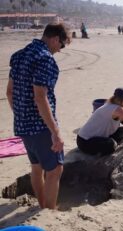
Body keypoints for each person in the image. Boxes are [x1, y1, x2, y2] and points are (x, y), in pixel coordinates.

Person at [6, 23, 70, 209]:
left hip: (22, 124)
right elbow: (40, 97)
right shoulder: (45, 58)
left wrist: (21, 114)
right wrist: (55, 131)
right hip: (40, 126)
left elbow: (10, 92)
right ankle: (49, 211)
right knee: (55, 169)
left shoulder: (18, 56)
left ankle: (43, 206)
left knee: (36, 166)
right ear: (55, 39)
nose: (60, 49)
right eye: (62, 44)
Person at [77, 88, 123, 155]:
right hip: (85, 141)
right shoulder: (114, 108)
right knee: (111, 145)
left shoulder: (113, 107)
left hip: (97, 136)